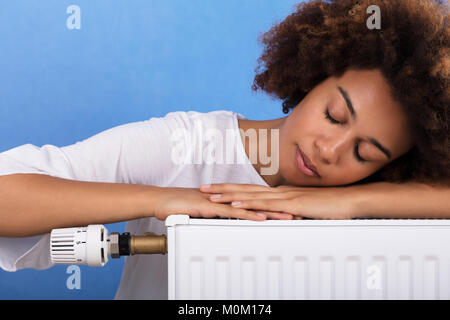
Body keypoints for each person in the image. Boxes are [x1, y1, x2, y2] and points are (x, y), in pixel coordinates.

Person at [0, 0, 448, 299]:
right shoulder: (186, 146)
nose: (330, 151)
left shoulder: (380, 191)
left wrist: (351, 201)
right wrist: (166, 200)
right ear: (314, 74)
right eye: (334, 115)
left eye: (365, 154)